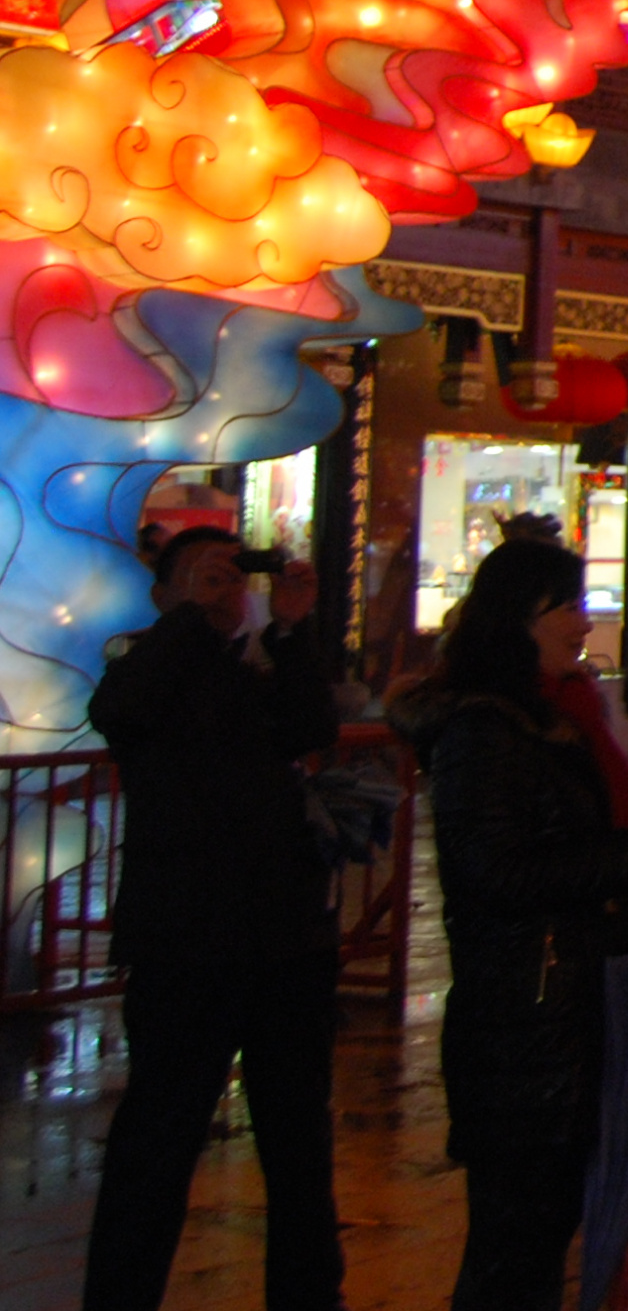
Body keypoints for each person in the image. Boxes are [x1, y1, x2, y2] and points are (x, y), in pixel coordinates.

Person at [389, 539, 628, 1308]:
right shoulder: (487, 730)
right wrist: (624, 865)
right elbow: (490, 872)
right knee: (515, 1246)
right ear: (521, 620)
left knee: (541, 1236)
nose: (584, 622)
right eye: (569, 607)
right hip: (523, 1017)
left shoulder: (556, 716)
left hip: (566, 1004)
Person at [83, 532, 345, 1311]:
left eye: (234, 575)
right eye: (206, 575)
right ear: (165, 592)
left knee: (298, 1140)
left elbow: (311, 727)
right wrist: (190, 619)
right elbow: (119, 713)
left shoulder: (259, 662)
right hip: (188, 941)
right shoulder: (152, 658)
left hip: (284, 938)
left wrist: (292, 628)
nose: (227, 590)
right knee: (159, 1139)